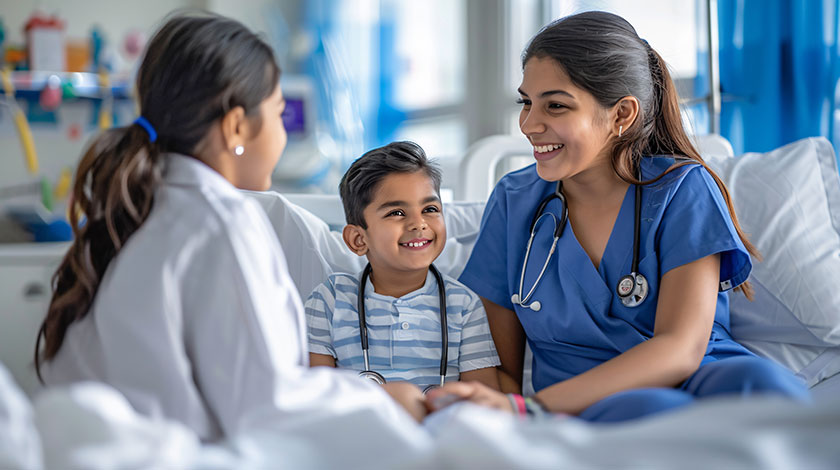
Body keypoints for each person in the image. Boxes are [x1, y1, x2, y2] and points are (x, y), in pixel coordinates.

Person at [34, 13, 424, 441]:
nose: (282, 132)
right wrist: (384, 400)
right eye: (278, 113)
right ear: (237, 125)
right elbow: (268, 412)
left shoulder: (132, 210)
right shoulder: (221, 221)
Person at [427, 11, 810, 422]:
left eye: (555, 105)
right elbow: (497, 369)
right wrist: (495, 412)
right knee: (650, 411)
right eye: (526, 102)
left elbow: (681, 347)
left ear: (622, 115)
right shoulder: (515, 202)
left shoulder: (683, 189)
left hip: (701, 374)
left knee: (766, 386)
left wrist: (528, 407)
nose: (528, 124)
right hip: (579, 401)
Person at [305, 141, 501, 397]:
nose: (418, 224)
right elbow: (317, 396)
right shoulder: (329, 300)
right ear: (358, 239)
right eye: (397, 212)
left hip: (439, 428)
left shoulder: (463, 305)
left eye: (430, 209)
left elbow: (482, 399)